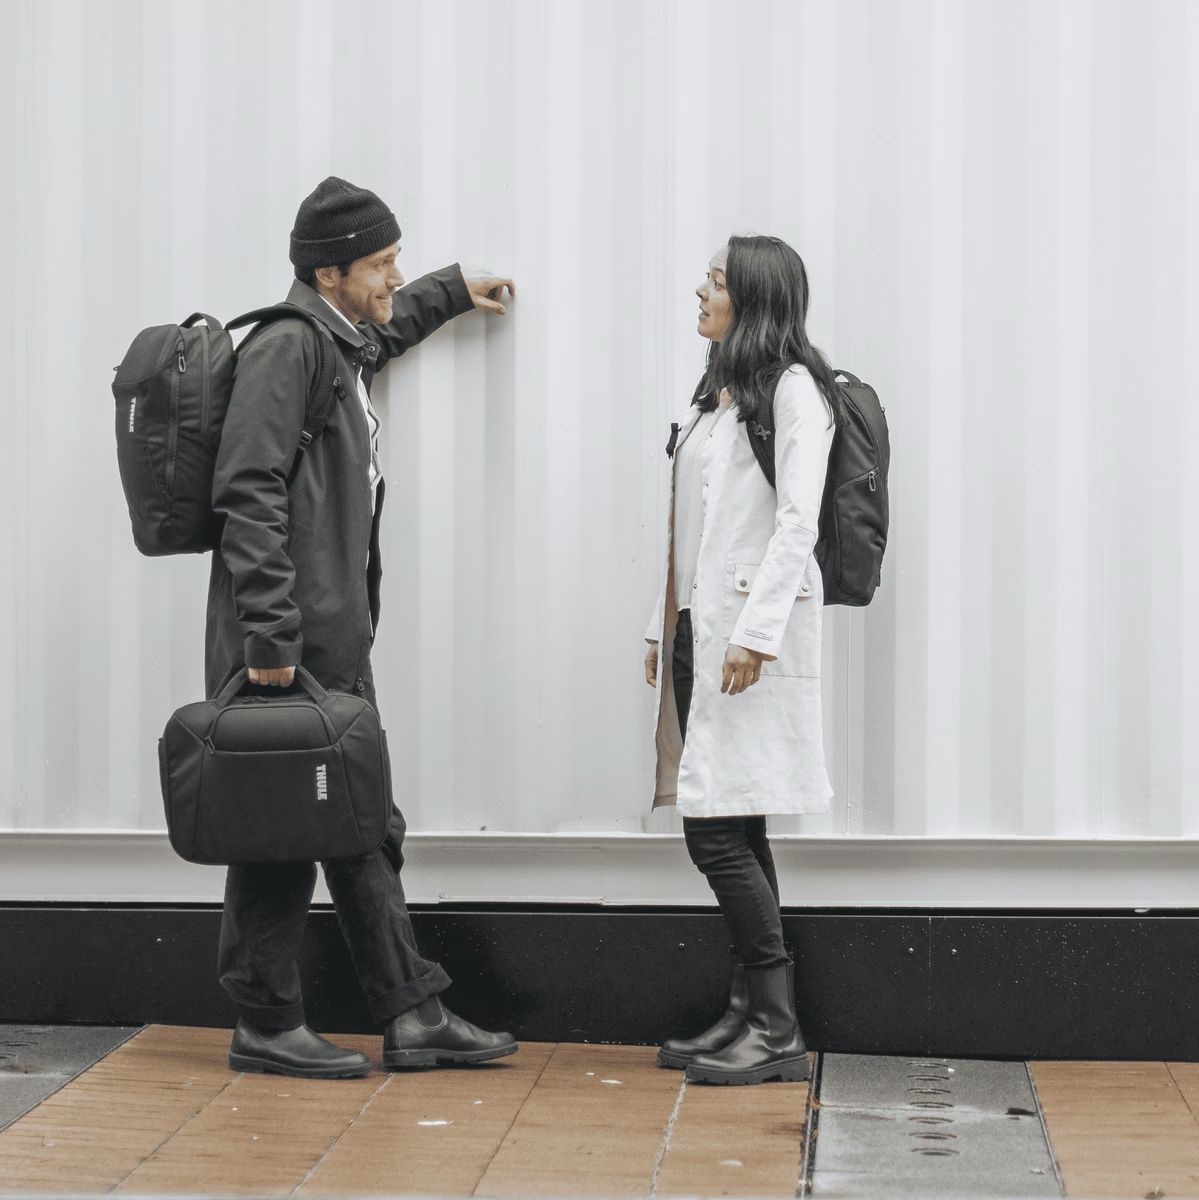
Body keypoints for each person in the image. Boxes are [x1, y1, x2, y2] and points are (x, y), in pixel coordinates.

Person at [207, 176, 517, 1078]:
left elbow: (383, 331)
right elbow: (247, 491)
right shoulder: (286, 348)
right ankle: (267, 1022)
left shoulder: (335, 344)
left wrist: (449, 292)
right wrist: (270, 637)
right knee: (281, 828)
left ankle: (411, 1014)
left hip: (330, 637)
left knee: (360, 820)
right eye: (381, 263)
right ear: (329, 272)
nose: (393, 275)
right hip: (285, 642)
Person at [644, 235, 839, 1086]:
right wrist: (658, 627)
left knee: (715, 830)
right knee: (735, 821)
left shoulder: (794, 390)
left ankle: (776, 1025)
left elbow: (798, 519)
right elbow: (683, 520)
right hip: (701, 629)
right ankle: (748, 1012)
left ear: (753, 298)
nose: (700, 291)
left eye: (716, 281)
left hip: (745, 638)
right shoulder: (718, 394)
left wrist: (757, 634)